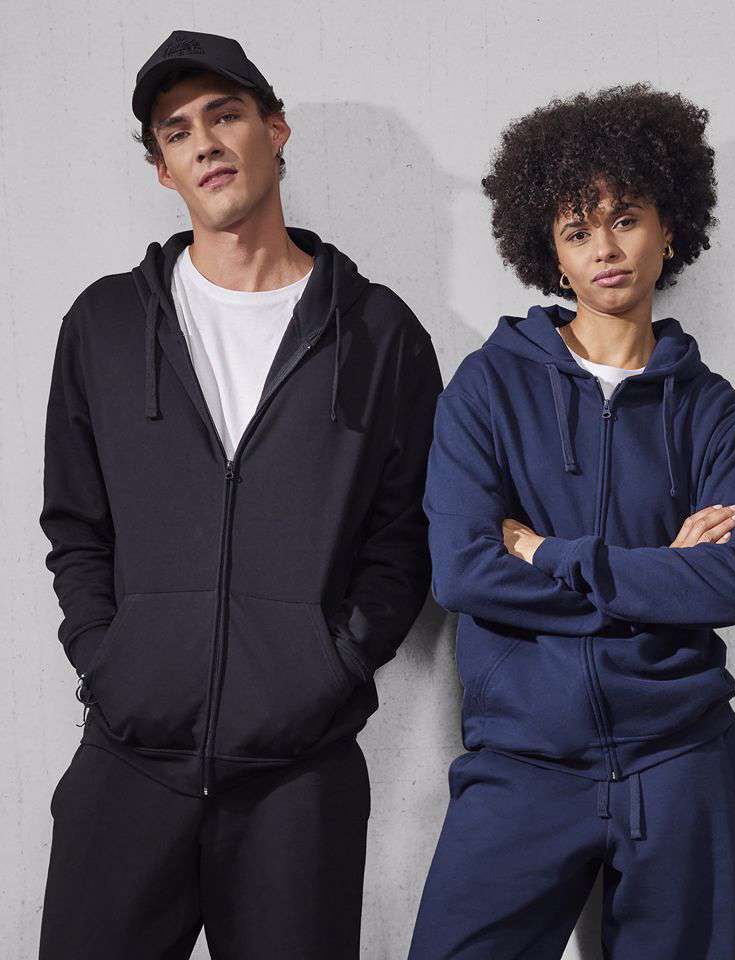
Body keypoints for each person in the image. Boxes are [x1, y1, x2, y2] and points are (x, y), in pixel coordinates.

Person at [38, 29, 442, 960]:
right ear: (162, 169)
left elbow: (405, 533)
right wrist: (108, 659)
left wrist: (334, 667)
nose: (205, 144)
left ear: (276, 129)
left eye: (225, 116)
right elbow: (76, 524)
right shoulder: (104, 324)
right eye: (177, 132)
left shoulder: (380, 334)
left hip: (298, 780)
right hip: (130, 761)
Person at [409, 82, 735, 959]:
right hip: (523, 763)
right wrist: (654, 579)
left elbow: (728, 584)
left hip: (681, 762)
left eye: (626, 220)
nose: (605, 248)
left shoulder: (718, 415)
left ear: (669, 230)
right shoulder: (487, 389)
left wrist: (544, 552)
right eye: (578, 231)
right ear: (554, 256)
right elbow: (462, 571)